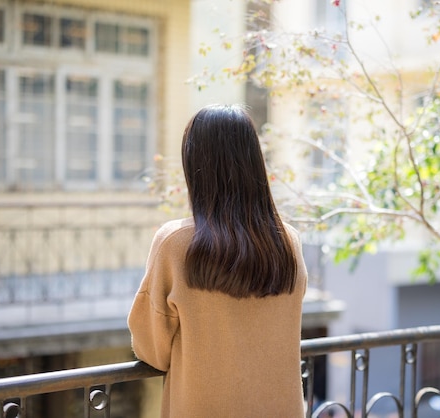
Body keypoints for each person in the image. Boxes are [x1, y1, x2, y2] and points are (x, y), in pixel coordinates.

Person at [127, 104, 308, 417]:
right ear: (255, 162)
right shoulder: (288, 241)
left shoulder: (175, 243)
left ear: (194, 164)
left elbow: (152, 350)